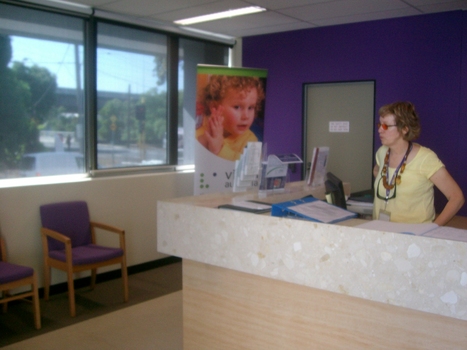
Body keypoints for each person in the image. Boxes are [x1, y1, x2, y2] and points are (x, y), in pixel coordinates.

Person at [373, 101, 464, 225]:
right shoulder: (382, 152)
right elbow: (378, 171)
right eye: (379, 125)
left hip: (413, 238)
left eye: (385, 126)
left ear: (404, 129)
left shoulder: (425, 158)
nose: (379, 130)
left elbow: (457, 198)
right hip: (381, 232)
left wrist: (433, 229)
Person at [196, 75, 265, 161]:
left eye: (251, 108)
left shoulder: (251, 140)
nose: (246, 116)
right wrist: (204, 141)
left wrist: (220, 149)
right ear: (214, 106)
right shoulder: (199, 133)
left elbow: (251, 167)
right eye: (237, 107)